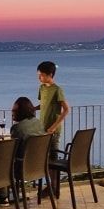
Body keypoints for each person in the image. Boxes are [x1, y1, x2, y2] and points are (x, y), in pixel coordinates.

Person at [36, 61, 69, 193]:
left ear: (50, 74)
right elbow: (43, 104)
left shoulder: (57, 90)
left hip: (53, 131)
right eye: (39, 75)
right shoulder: (42, 88)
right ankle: (50, 185)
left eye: (42, 75)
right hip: (42, 129)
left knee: (53, 160)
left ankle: (55, 186)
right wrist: (32, 108)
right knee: (46, 159)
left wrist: (54, 127)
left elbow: (66, 110)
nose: (39, 77)